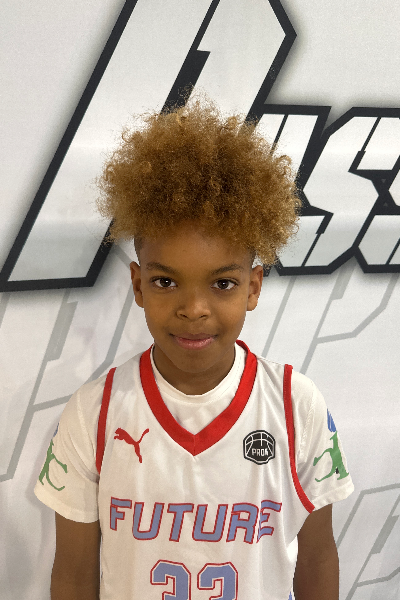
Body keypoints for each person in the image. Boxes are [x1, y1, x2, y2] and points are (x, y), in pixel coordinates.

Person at [34, 95, 354, 600]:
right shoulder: (95, 413)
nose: (194, 309)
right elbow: (73, 576)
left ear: (253, 287)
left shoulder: (296, 406)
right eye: (166, 282)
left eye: (222, 284)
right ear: (138, 284)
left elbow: (316, 560)